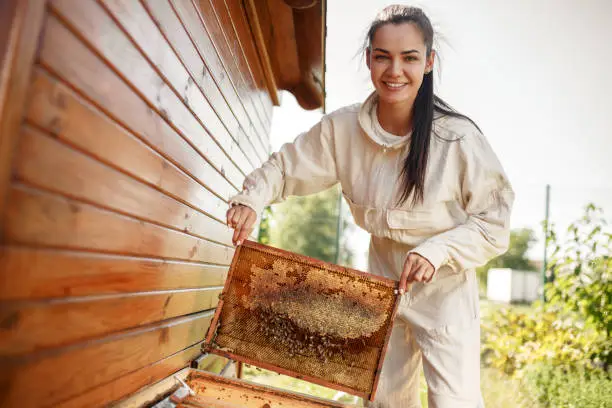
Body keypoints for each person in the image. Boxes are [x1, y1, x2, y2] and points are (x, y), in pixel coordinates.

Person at [226, 5, 514, 408]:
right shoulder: (342, 130)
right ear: (369, 59)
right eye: (383, 56)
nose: (395, 71)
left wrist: (436, 251)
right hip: (383, 285)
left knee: (454, 401)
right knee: (384, 401)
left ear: (428, 62)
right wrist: (251, 199)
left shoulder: (457, 139)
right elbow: (285, 168)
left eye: (410, 58)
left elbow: (495, 224)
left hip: (445, 291)